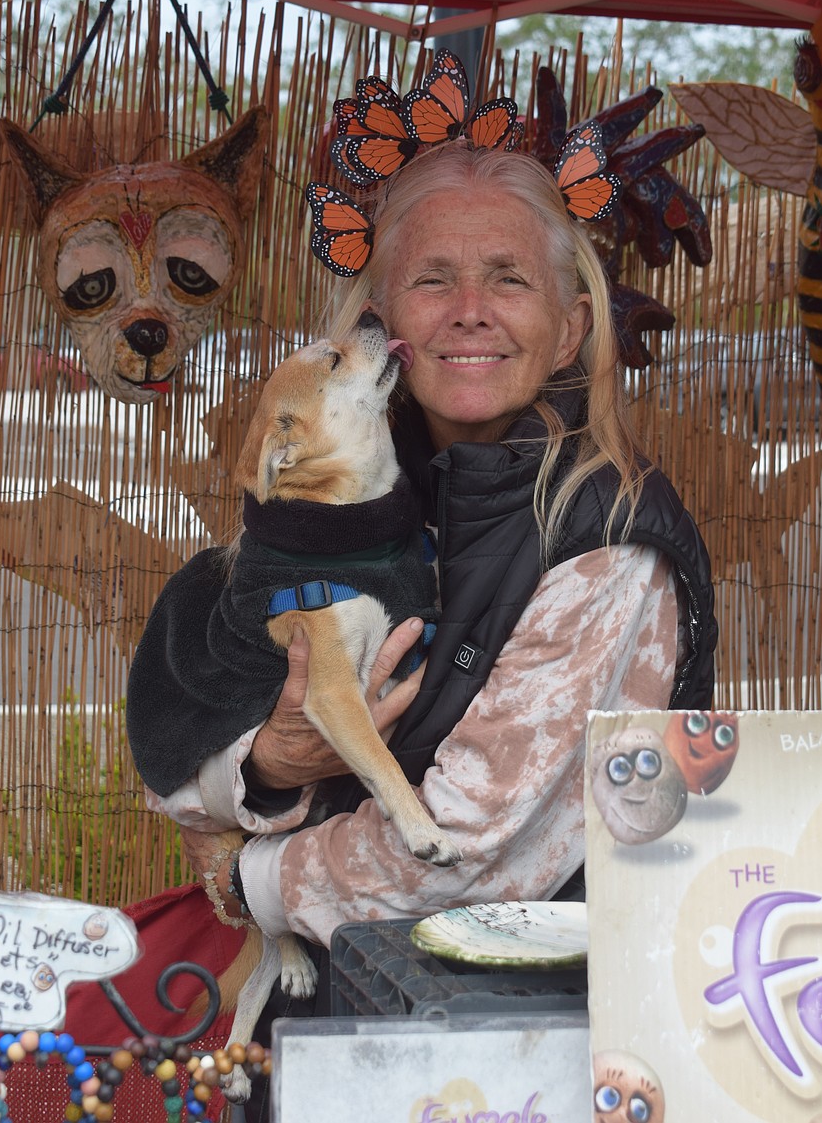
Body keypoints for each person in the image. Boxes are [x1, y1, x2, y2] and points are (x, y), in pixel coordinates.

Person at [130, 132, 716, 1117]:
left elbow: (475, 853)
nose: (469, 310)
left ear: (570, 328)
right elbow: (191, 743)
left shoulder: (608, 540)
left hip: (522, 1058)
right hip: (331, 1032)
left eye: (507, 279)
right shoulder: (336, 505)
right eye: (433, 278)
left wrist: (252, 874)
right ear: (383, 317)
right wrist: (270, 764)